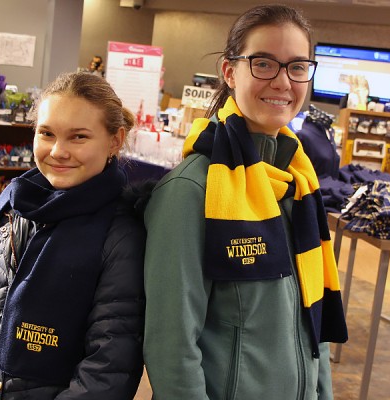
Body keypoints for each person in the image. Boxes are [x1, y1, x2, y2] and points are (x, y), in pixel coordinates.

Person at [143, 4, 347, 399]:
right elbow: (171, 346)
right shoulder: (191, 191)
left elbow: (313, 319)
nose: (283, 81)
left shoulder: (299, 185)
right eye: (264, 63)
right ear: (229, 71)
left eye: (297, 67)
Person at [0, 72, 145, 399]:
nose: (58, 151)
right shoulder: (15, 208)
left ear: (115, 141)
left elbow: (107, 370)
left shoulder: (121, 235)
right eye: (46, 133)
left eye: (78, 137)